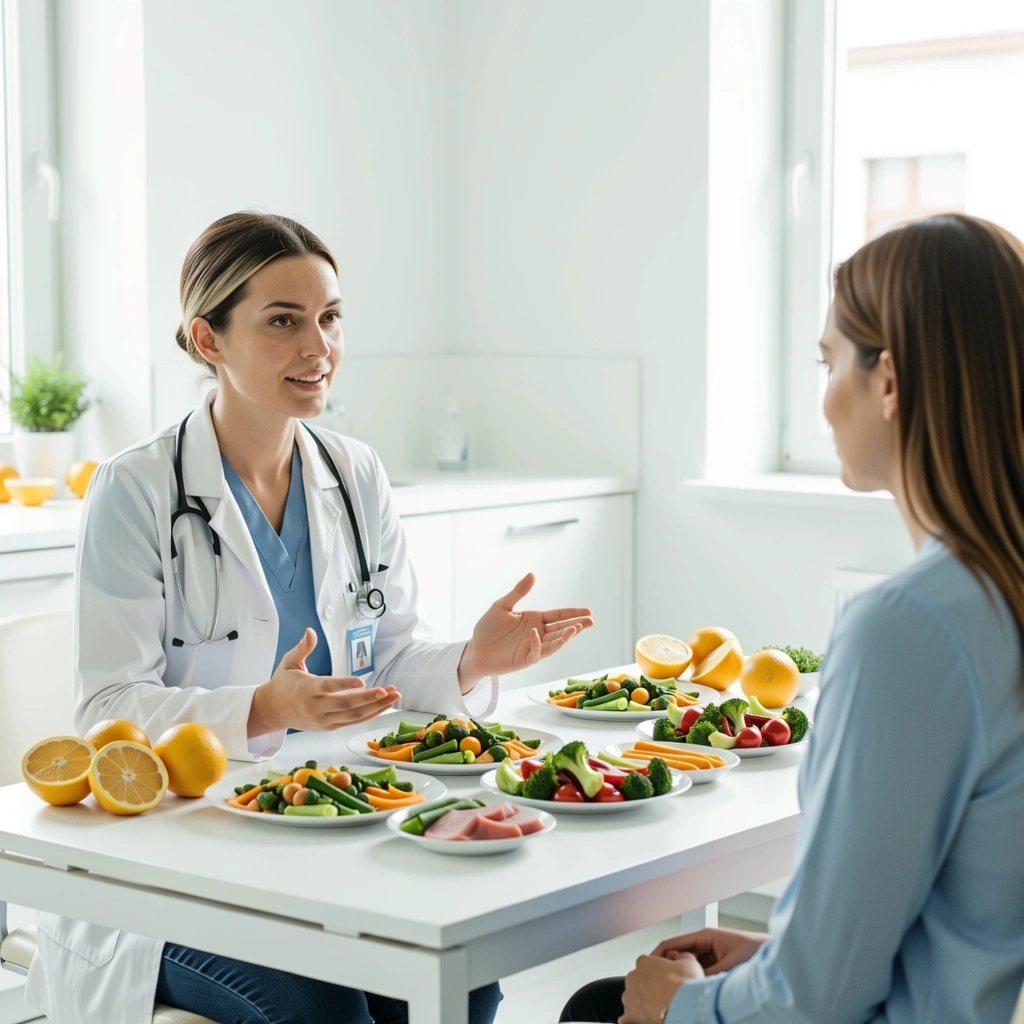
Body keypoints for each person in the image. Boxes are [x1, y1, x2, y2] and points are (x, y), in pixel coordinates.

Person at [25, 212, 594, 1024]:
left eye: (329, 318)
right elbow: (107, 711)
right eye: (283, 322)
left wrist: (471, 661)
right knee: (331, 1011)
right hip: (174, 865)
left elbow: (386, 662)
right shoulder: (136, 491)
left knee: (462, 982)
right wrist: (261, 707)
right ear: (208, 339)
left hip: (332, 824)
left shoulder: (353, 472)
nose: (318, 348)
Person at [560, 213, 1024, 1023]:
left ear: (890, 381)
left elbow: (816, 1000)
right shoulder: (998, 594)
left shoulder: (911, 627)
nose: (825, 398)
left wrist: (683, 1010)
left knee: (608, 1006)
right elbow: (928, 918)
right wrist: (774, 953)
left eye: (829, 361)